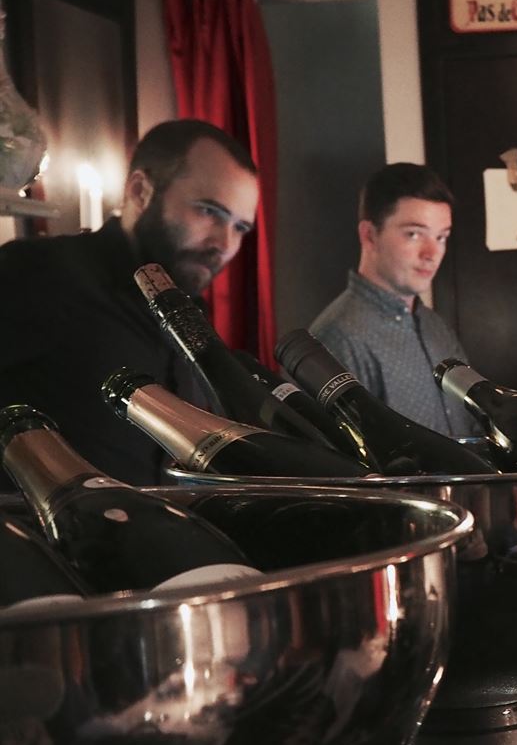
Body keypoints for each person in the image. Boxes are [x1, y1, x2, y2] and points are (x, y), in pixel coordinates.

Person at [0, 119, 259, 484]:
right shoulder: (38, 272)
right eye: (208, 211)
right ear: (140, 191)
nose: (225, 244)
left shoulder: (190, 316)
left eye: (240, 228)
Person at [308, 164, 475, 438]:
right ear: (370, 235)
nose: (432, 253)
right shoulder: (338, 338)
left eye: (441, 237)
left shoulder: (435, 326)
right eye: (414, 234)